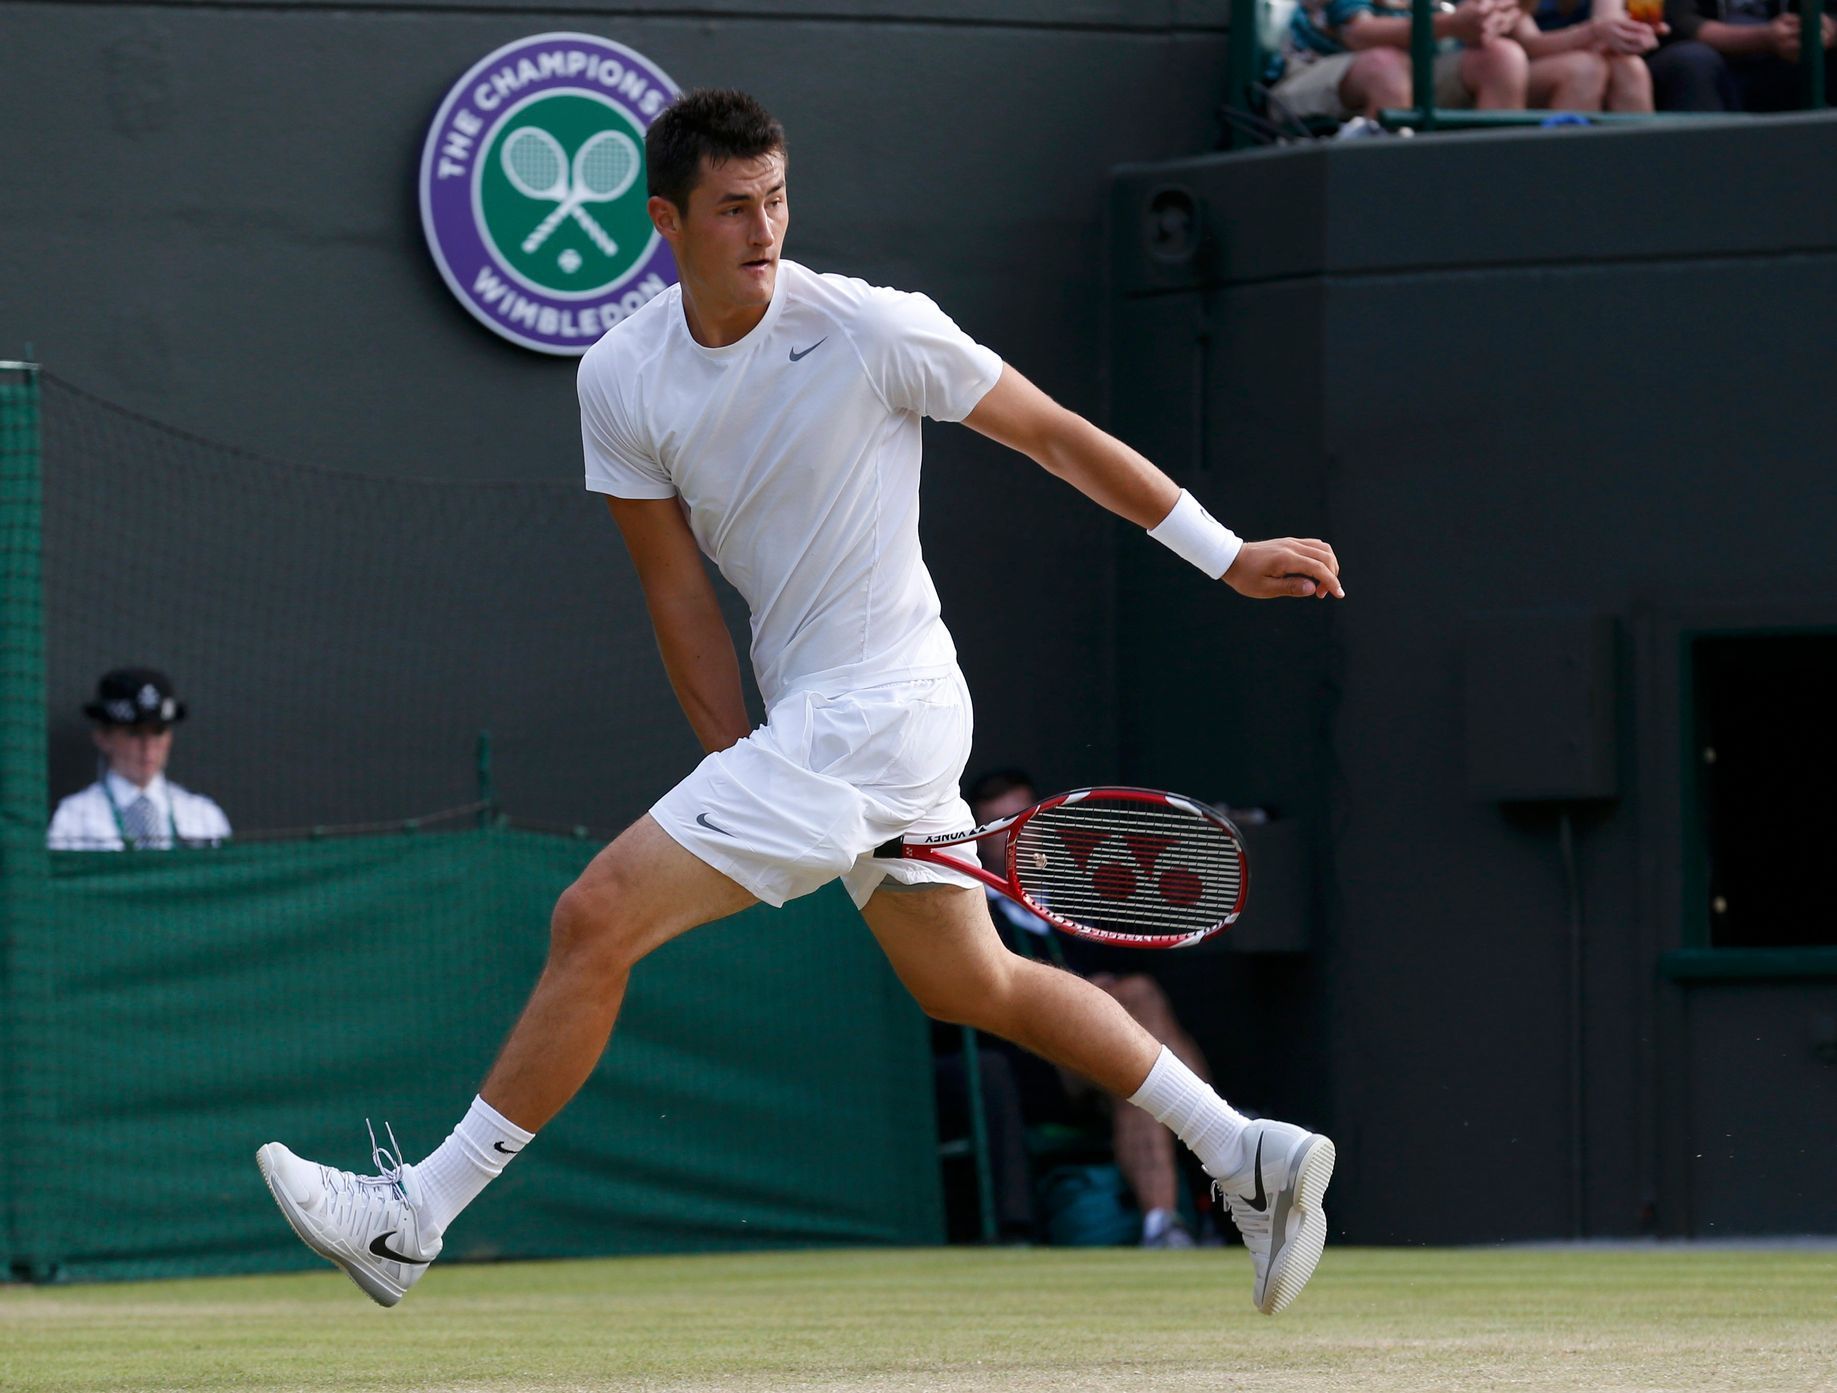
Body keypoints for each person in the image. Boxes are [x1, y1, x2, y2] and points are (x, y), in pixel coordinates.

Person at [256, 89, 1345, 1317]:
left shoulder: (875, 329)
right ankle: (1242, 1147)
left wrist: (1227, 551)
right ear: (668, 221)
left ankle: (416, 1217)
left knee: (593, 916)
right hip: (818, 727)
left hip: (887, 705)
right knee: (969, 985)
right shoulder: (620, 375)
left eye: (775, 199)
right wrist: (738, 765)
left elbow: (1053, 435)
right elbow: (677, 597)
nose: (763, 228)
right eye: (732, 209)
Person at [966, 768, 1226, 1250]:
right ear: (979, 841)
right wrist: (1089, 994)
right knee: (1138, 1009)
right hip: (1041, 1063)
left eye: (1024, 819)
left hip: (1112, 1056)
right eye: (999, 827)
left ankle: (1161, 1226)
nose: (1015, 835)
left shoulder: (1081, 902)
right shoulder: (976, 916)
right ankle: (1228, 1136)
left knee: (1138, 1069)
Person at [47, 667, 230, 851]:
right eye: (133, 734)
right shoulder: (74, 818)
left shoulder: (203, 817)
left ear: (169, 738)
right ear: (103, 737)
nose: (148, 747)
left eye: (158, 732)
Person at [1266, 0, 1530, 126]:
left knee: (1502, 59)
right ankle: (1387, 205)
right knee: (1387, 67)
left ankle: (1493, 197)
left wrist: (1496, 15)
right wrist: (1451, 24)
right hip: (1310, 71)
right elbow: (1359, 34)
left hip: (1415, 73)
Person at [1650, 0, 1835, 110]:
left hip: (1793, 57)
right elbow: (1678, 21)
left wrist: (1826, 29)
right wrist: (1765, 38)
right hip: (1711, 58)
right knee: (1691, 61)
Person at [1509, 0, 1664, 112]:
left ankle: (1642, 154)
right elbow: (1528, 44)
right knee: (1584, 69)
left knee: (1630, 67)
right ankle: (1570, 155)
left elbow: (1609, 20)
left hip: (1588, 52)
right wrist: (1591, 33)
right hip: (1520, 68)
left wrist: (1631, 35)